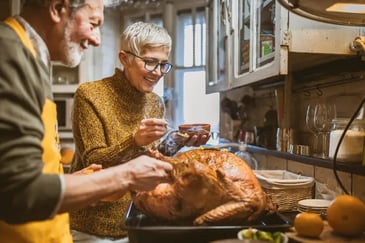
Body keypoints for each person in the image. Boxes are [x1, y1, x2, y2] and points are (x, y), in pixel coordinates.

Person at [0, 1, 173, 243]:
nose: (97, 40)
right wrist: (127, 174)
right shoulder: (9, 52)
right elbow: (19, 191)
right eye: (93, 24)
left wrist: (74, 179)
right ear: (57, 8)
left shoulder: (32, 57)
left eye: (162, 64)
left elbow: (33, 171)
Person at [69, 21, 210, 242]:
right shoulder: (90, 95)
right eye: (150, 62)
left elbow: (152, 154)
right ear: (124, 59)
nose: (158, 72)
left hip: (138, 218)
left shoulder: (155, 102)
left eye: (163, 64)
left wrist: (180, 140)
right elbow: (93, 163)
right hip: (92, 227)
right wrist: (133, 141)